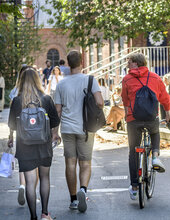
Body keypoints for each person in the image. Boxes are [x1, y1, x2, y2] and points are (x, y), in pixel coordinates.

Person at [8, 68, 60, 220]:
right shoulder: (46, 98)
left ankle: (33, 217)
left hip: (25, 146)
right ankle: (45, 213)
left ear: (21, 81)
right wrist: (54, 135)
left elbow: (11, 124)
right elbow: (55, 121)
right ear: (37, 80)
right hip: (44, 145)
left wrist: (10, 137)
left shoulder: (17, 100)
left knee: (30, 182)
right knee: (45, 178)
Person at [55, 50, 104, 212]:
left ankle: (73, 199)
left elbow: (58, 111)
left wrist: (54, 133)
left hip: (67, 129)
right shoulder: (90, 80)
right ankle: (83, 189)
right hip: (86, 128)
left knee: (70, 163)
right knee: (85, 163)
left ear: (68, 64)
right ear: (82, 62)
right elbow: (100, 102)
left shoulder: (61, 83)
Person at [121, 53, 170, 200]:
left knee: (133, 152)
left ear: (136, 64)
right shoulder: (156, 78)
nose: (127, 65)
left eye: (129, 62)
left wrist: (127, 116)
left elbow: (125, 100)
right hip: (151, 118)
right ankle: (155, 156)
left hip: (133, 119)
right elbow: (165, 98)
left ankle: (134, 186)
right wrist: (168, 115)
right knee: (155, 133)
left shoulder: (126, 79)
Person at [8, 65, 30, 206]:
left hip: (20, 133)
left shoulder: (15, 92)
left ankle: (22, 185)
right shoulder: (36, 92)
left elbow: (11, 115)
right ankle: (31, 192)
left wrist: (10, 135)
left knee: (22, 162)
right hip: (36, 132)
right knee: (35, 165)